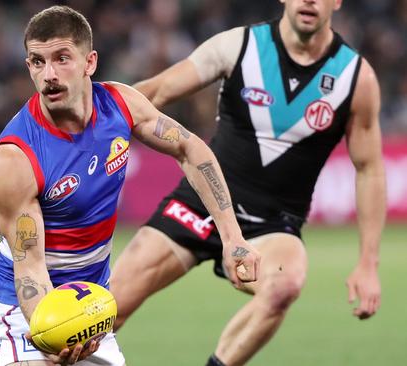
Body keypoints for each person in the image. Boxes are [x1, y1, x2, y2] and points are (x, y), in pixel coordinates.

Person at [0, 5, 260, 366]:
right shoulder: (14, 158)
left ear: (89, 62)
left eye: (62, 58)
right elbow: (30, 269)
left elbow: (191, 149)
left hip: (90, 307)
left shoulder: (120, 105)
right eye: (37, 61)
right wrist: (54, 331)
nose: (48, 74)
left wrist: (233, 239)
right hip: (24, 316)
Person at [109, 0, 386, 365]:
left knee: (284, 286)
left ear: (336, 2)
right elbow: (155, 93)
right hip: (198, 207)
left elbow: (370, 170)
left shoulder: (355, 77)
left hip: (271, 227)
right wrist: (91, 116)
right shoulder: (238, 46)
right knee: (104, 314)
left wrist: (368, 263)